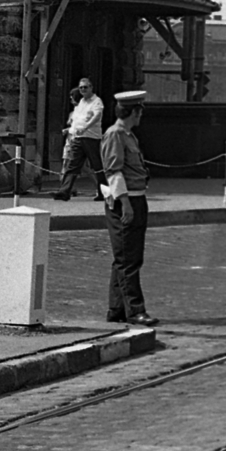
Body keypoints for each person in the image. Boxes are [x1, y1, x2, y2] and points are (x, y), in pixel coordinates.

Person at [101, 90, 156, 326]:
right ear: (134, 111)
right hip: (126, 201)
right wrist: (125, 203)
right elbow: (114, 171)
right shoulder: (115, 135)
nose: (141, 115)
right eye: (140, 110)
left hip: (136, 198)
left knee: (125, 257)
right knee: (128, 260)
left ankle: (116, 309)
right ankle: (135, 310)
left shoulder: (128, 135)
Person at [54, 77, 106, 201]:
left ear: (91, 88)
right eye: (81, 87)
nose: (83, 89)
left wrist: (86, 127)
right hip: (78, 137)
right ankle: (64, 192)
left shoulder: (97, 101)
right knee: (72, 164)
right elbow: (77, 120)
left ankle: (103, 192)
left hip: (91, 137)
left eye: (85, 87)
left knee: (96, 166)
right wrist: (71, 131)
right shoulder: (81, 101)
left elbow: (97, 116)